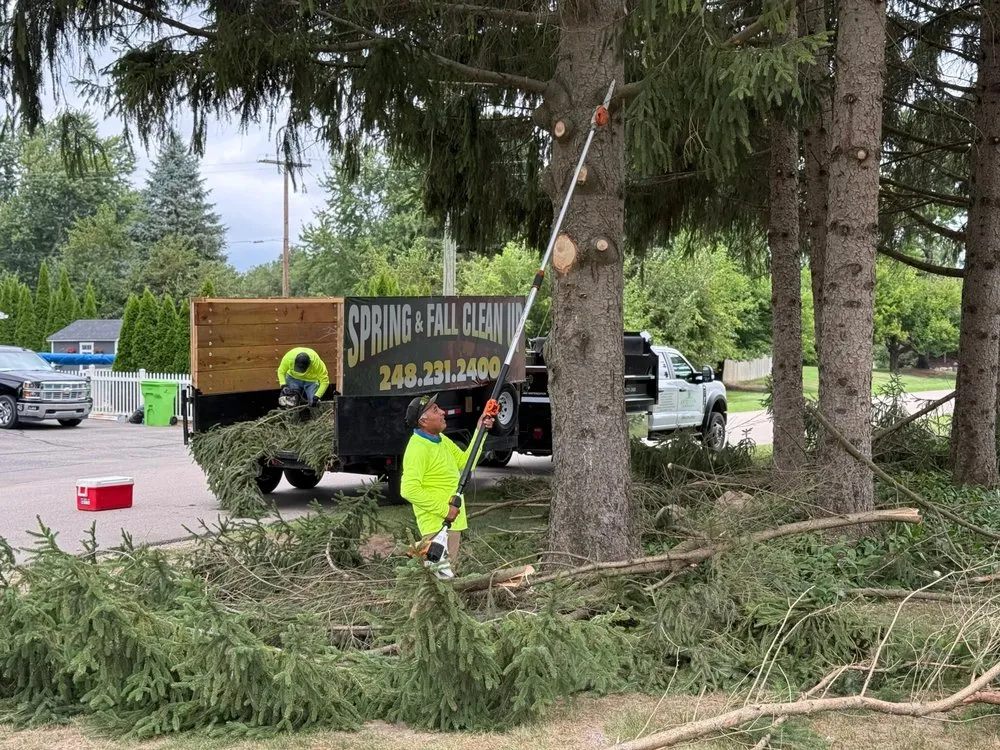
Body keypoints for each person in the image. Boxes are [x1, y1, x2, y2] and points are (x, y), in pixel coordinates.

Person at [400, 393, 494, 570]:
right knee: (440, 578)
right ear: (423, 421)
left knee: (448, 576)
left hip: (453, 522)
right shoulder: (418, 448)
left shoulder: (441, 440)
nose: (443, 412)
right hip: (437, 525)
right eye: (436, 410)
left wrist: (480, 431)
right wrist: (445, 510)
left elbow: (467, 464)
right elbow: (408, 489)